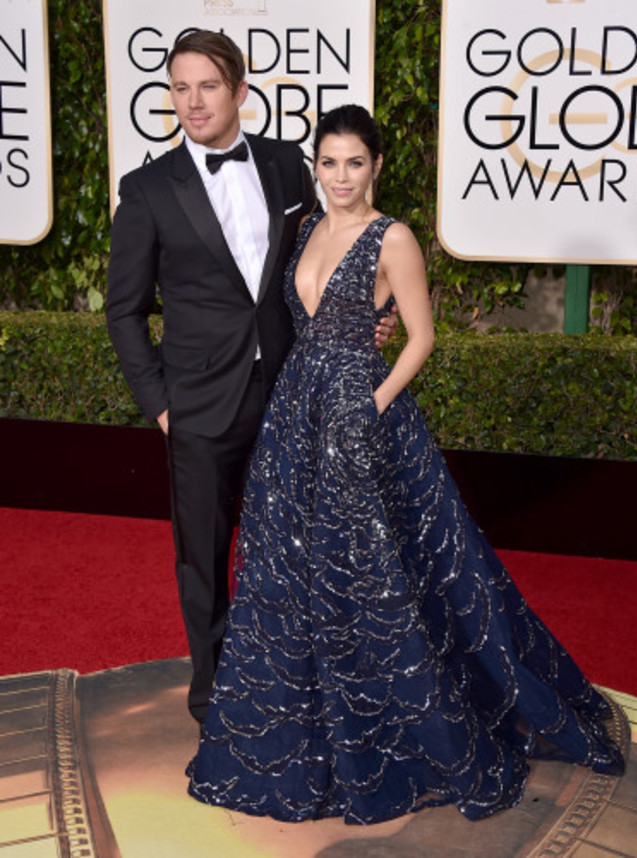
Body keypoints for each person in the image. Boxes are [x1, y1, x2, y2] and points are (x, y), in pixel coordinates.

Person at [187, 104, 625, 823]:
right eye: (329, 162)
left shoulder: (394, 238)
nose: (340, 177)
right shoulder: (304, 229)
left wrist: (373, 404)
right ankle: (310, 735)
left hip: (363, 422)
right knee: (291, 575)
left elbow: (419, 337)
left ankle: (403, 731)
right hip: (297, 418)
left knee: (375, 578)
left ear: (378, 166)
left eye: (355, 162)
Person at [106, 31, 397, 726]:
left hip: (290, 393)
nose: (192, 101)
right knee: (202, 557)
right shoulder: (145, 191)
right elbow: (122, 312)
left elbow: (321, 264)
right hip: (198, 407)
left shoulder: (287, 168)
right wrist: (161, 407)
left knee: (294, 544)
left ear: (240, 91)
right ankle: (214, 697)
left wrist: (368, 318)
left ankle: (294, 675)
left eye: (207, 86)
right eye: (180, 87)